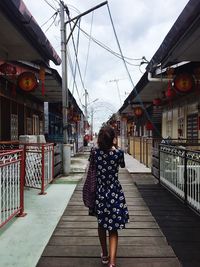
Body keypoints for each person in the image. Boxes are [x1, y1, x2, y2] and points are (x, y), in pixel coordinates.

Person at [89, 125, 129, 267]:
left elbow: (92, 167)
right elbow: (122, 166)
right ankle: (112, 262)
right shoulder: (118, 153)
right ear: (113, 139)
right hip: (115, 192)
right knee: (113, 228)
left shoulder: (95, 153)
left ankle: (104, 255)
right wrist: (115, 147)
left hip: (100, 193)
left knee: (101, 224)